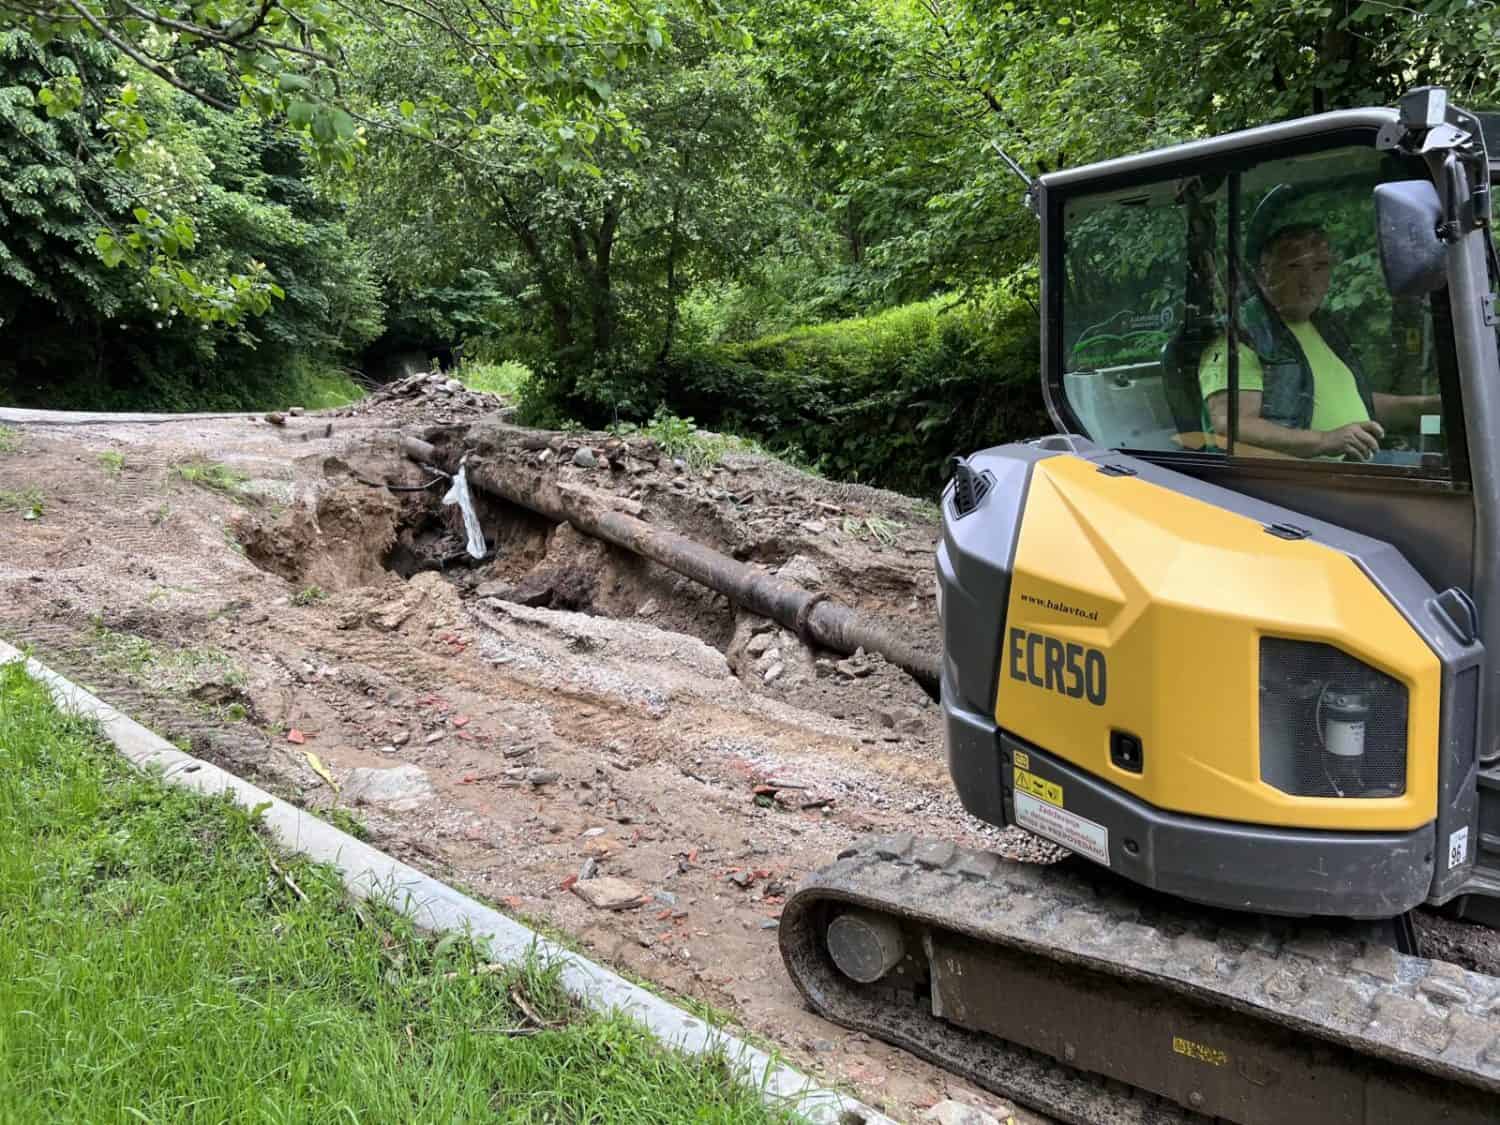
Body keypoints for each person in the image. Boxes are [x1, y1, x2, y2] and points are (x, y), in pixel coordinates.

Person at [1197, 222, 1440, 459]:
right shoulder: (1241, 337)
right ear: (1263, 276)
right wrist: (1325, 441)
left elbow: (1356, 401)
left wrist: (1423, 408)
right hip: (1288, 489)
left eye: (1320, 266)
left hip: (1358, 466)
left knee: (1437, 458)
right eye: (1293, 267)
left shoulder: (1323, 327)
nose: (1308, 282)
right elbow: (1231, 425)